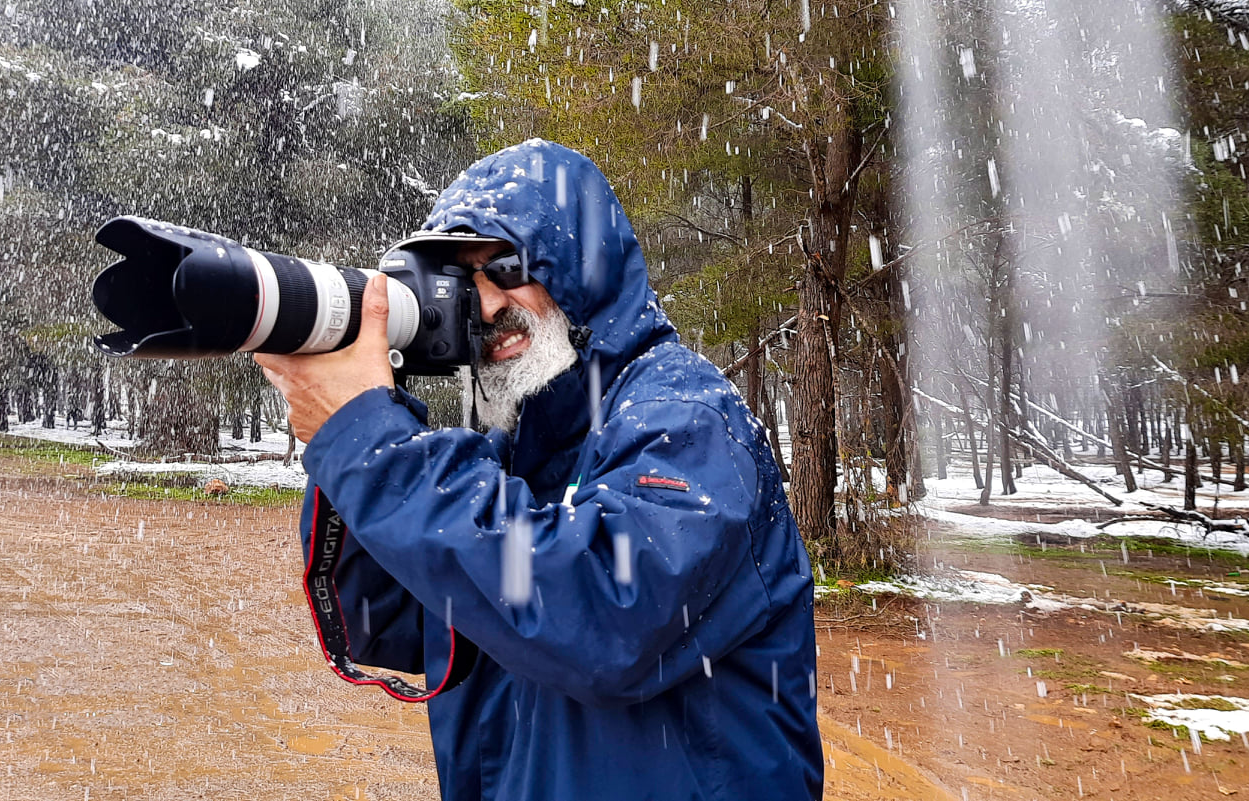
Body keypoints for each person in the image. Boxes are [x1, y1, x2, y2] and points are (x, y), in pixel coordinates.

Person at [255, 139, 823, 800]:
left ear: (580, 264)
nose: (488, 305)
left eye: (505, 267)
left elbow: (605, 613)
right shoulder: (512, 461)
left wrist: (373, 446)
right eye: (464, 284)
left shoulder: (688, 420)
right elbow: (389, 619)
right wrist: (367, 409)